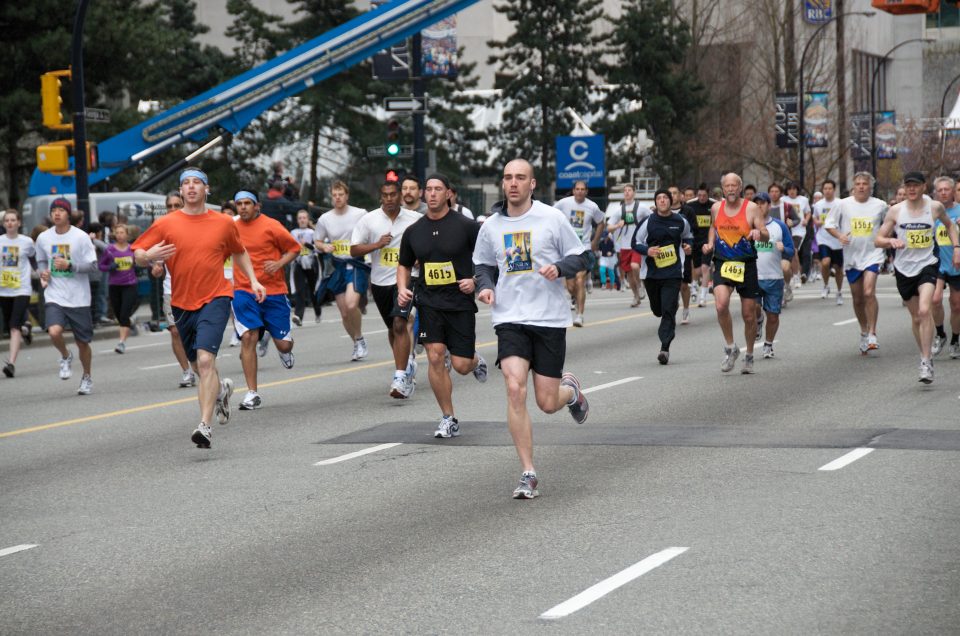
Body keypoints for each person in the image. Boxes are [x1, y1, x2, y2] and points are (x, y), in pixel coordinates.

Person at [473, 158, 590, 499]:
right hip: (510, 317)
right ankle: (528, 472)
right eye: (508, 177)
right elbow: (482, 263)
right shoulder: (491, 225)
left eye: (520, 177)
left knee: (547, 402)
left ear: (532, 184)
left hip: (549, 319)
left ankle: (572, 392)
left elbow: (582, 257)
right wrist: (485, 284)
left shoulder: (551, 218)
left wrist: (558, 266)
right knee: (514, 387)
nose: (513, 183)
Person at [133, 167, 266, 448]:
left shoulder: (224, 223)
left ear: (207, 190)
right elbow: (138, 254)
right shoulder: (166, 223)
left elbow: (239, 251)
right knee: (196, 365)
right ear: (180, 192)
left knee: (206, 362)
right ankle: (221, 392)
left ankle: (204, 426)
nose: (191, 187)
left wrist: (253, 280)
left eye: (197, 183)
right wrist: (148, 256)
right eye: (186, 183)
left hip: (216, 297)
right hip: (181, 302)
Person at [397, 173, 487, 439]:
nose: (432, 193)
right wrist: (402, 288)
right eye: (429, 189)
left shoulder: (467, 226)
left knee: (460, 364)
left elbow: (487, 258)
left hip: (459, 302)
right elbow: (403, 263)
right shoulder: (414, 231)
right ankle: (448, 418)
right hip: (429, 302)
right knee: (435, 355)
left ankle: (475, 360)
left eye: (438, 189)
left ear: (449, 194)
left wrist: (474, 280)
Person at [875, 171, 959, 384]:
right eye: (908, 185)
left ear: (923, 187)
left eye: (916, 185)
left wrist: (957, 247)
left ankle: (925, 360)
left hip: (928, 265)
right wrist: (890, 242)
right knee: (916, 317)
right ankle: (925, 352)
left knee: (925, 309)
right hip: (904, 269)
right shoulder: (895, 211)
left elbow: (949, 225)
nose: (911, 189)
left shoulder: (934, 208)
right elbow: (878, 239)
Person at [228, 190, 300, 410]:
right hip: (243, 290)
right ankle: (252, 393)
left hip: (273, 291)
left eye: (247, 203)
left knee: (285, 344)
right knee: (248, 337)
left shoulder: (272, 225)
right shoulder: (230, 227)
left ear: (257, 205)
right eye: (239, 203)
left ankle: (282, 349)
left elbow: (294, 248)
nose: (243, 207)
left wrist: (279, 264)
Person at [351, 180, 422, 398]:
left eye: (393, 194)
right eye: (385, 195)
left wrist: (419, 258)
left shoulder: (415, 219)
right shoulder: (369, 220)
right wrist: (376, 245)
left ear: (400, 195)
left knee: (401, 323)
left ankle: (400, 376)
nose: (389, 199)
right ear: (380, 197)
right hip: (380, 282)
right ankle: (406, 367)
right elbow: (354, 250)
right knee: (393, 329)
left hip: (408, 280)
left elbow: (428, 244)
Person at [703, 173, 768, 374]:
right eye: (727, 186)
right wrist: (711, 243)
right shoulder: (716, 208)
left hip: (746, 264)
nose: (730, 189)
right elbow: (714, 227)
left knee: (748, 315)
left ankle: (749, 355)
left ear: (740, 188)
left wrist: (759, 234)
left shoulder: (751, 208)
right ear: (723, 189)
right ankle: (731, 348)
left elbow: (765, 235)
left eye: (734, 186)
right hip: (723, 262)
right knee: (721, 305)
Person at [35, 198, 98, 394]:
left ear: (68, 214)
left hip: (79, 297)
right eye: (53, 210)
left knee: (83, 343)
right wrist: (43, 273)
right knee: (54, 331)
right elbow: (41, 261)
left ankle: (87, 377)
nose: (57, 213)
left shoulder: (80, 237)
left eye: (61, 210)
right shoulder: (44, 238)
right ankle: (65, 355)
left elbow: (93, 266)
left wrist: (70, 265)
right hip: (55, 294)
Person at [825, 172, 889, 354]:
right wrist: (840, 235)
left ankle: (873, 333)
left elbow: (890, 223)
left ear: (871, 187)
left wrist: (886, 239)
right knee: (858, 298)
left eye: (865, 184)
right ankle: (863, 330)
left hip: (873, 255)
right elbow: (829, 224)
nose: (861, 186)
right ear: (853, 187)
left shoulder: (880, 205)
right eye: (858, 183)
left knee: (869, 291)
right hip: (852, 257)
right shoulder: (842, 204)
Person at [632, 188, 693, 364]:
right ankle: (669, 305)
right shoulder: (648, 221)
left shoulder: (680, 221)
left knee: (668, 310)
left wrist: (688, 246)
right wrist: (647, 250)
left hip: (673, 272)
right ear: (656, 202)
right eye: (659, 198)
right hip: (651, 273)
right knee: (658, 310)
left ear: (670, 200)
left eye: (665, 198)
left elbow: (688, 237)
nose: (662, 201)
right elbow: (635, 242)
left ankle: (664, 348)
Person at [314, 180, 369, 361]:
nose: (337, 198)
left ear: (347, 195)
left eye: (341, 194)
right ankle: (357, 343)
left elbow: (371, 231)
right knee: (344, 312)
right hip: (337, 265)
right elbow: (318, 240)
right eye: (334, 195)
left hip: (355, 263)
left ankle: (360, 337)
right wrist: (324, 247)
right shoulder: (325, 219)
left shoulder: (360, 214)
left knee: (352, 304)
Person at [554, 181, 604, 327]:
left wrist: (595, 242)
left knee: (580, 279)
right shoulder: (563, 203)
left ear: (586, 191)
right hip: (568, 250)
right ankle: (575, 297)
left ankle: (580, 315)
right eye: (577, 189)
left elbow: (601, 222)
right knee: (570, 286)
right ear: (573, 190)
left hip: (585, 249)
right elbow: (551, 215)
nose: (580, 192)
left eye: (583, 189)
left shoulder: (592, 206)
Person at [753, 193, 795, 359]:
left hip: (774, 277)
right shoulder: (748, 225)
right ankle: (757, 321)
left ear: (769, 206)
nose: (759, 206)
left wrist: (784, 248)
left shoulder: (780, 226)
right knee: (754, 308)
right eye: (756, 204)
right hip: (754, 277)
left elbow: (791, 250)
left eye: (762, 203)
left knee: (773, 314)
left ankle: (768, 344)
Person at [1, 209, 37, 378]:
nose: (10, 223)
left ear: (19, 223)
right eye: (7, 220)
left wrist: (41, 273)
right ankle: (26, 330)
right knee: (11, 325)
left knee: (13, 326)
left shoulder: (27, 242)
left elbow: (34, 258)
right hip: (4, 289)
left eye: (13, 220)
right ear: (3, 224)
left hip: (22, 288)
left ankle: (11, 363)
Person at [930, 176, 960, 357]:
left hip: (956, 264)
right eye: (939, 190)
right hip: (937, 264)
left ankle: (955, 339)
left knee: (956, 306)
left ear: (953, 191)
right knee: (935, 299)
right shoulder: (931, 213)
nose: (943, 192)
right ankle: (940, 334)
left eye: (946, 189)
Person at [98, 223, 139, 353]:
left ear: (127, 235)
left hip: (130, 284)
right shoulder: (110, 250)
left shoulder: (132, 249)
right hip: (114, 285)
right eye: (118, 233)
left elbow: (142, 261)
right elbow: (101, 266)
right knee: (119, 315)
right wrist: (109, 267)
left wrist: (139, 265)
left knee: (124, 313)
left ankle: (121, 342)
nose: (120, 235)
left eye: (122, 233)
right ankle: (129, 322)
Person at [607, 184, 649, 307]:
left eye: (629, 190)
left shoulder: (641, 207)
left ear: (634, 193)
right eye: (625, 191)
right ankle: (636, 296)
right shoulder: (620, 210)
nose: (627, 192)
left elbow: (652, 218)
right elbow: (609, 227)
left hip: (637, 243)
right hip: (624, 245)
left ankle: (641, 285)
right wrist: (616, 226)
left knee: (635, 266)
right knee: (629, 274)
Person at [813, 179, 844, 305]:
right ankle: (826, 285)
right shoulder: (818, 205)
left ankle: (839, 291)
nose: (827, 191)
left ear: (834, 190)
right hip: (823, 238)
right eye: (825, 189)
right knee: (825, 262)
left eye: (830, 188)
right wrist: (817, 222)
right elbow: (815, 217)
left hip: (838, 238)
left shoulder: (841, 203)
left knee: (838, 268)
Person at [290, 209, 322, 326]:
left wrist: (307, 244)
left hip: (311, 263)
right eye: (300, 218)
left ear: (308, 220)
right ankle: (299, 316)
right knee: (300, 290)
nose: (302, 220)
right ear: (297, 220)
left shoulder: (312, 232)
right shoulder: (293, 233)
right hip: (298, 263)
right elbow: (289, 246)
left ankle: (318, 311)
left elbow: (318, 248)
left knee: (313, 291)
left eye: (304, 218)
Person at [685, 183, 714, 307]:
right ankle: (694, 284)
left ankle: (703, 296)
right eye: (700, 195)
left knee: (705, 268)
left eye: (704, 196)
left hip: (708, 241)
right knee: (696, 270)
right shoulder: (690, 204)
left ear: (708, 195)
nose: (702, 198)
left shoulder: (714, 205)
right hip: (695, 241)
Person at [783, 181, 812, 287]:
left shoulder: (803, 200)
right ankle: (792, 274)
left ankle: (797, 275)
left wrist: (806, 220)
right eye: (790, 189)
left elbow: (808, 212)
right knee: (789, 253)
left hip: (799, 230)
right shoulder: (783, 200)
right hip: (786, 230)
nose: (792, 191)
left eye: (794, 189)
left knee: (794, 251)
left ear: (797, 190)